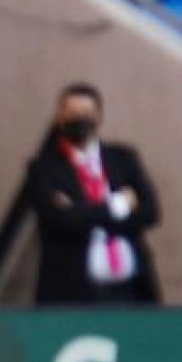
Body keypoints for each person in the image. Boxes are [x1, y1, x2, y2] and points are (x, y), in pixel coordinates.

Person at [23, 82, 162, 305]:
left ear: (99, 117)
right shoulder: (43, 168)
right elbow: (61, 221)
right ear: (60, 116)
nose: (79, 119)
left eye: (86, 113)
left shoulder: (123, 158)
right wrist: (118, 206)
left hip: (131, 293)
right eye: (73, 113)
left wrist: (82, 212)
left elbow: (150, 211)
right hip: (73, 296)